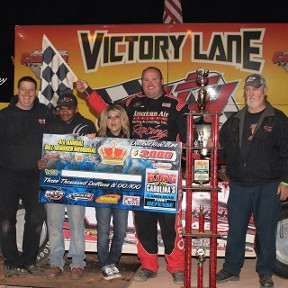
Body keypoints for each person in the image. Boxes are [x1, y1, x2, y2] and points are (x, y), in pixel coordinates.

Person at [76, 66, 188, 285]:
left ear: (161, 81)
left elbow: (189, 139)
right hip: (137, 175)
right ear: (141, 82)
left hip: (167, 176)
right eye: (146, 80)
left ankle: (176, 267)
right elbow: (107, 111)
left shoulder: (177, 105)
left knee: (170, 223)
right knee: (143, 222)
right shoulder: (132, 104)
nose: (150, 83)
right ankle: (148, 265)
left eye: (154, 79)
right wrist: (88, 92)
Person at [216, 73, 288, 288]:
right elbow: (222, 146)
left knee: (266, 231)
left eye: (255, 89)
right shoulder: (235, 120)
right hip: (239, 185)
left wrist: (286, 181)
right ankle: (231, 268)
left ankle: (265, 271)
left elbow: (287, 152)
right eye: (248, 89)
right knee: (235, 229)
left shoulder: (278, 119)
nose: (251, 93)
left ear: (264, 91)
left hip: (268, 185)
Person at [0, 76, 53, 277]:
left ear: (37, 92)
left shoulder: (45, 114)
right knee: (6, 220)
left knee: (36, 218)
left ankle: (29, 260)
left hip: (34, 175)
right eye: (24, 89)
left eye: (32, 90)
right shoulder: (4, 115)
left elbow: (57, 140)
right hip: (7, 175)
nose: (28, 94)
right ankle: (12, 262)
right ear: (18, 90)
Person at [41, 93, 97, 280]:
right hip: (54, 181)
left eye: (69, 108)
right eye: (62, 109)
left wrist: (93, 141)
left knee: (76, 223)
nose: (65, 112)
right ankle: (56, 262)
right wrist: (40, 162)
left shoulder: (87, 124)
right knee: (54, 224)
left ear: (76, 108)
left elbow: (93, 157)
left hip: (76, 184)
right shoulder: (50, 125)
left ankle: (78, 263)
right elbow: (43, 154)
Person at [95, 104, 130, 280]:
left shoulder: (132, 140)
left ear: (122, 119)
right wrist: (87, 141)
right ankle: (104, 264)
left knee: (121, 230)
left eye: (117, 117)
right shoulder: (97, 139)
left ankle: (112, 262)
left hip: (123, 192)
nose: (113, 121)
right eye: (109, 117)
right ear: (104, 120)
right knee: (102, 231)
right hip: (102, 191)